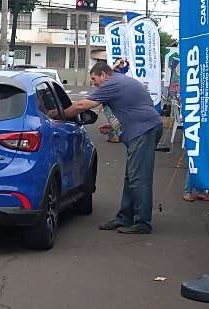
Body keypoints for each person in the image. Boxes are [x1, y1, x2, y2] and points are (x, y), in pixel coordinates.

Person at [61, 62, 163, 234]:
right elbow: (131, 108)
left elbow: (82, 106)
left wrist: (57, 115)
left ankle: (143, 222)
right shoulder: (120, 81)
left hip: (144, 131)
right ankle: (125, 217)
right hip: (145, 128)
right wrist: (113, 126)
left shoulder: (112, 83)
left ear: (104, 75)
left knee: (139, 177)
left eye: (94, 79)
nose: (94, 84)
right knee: (131, 176)